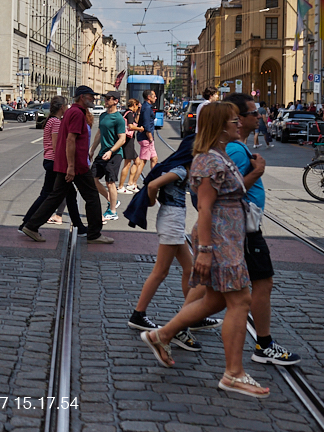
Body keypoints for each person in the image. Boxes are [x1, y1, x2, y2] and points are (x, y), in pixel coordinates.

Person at [139, 102, 269, 398]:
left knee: (214, 300)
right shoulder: (209, 160)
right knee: (240, 300)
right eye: (234, 120)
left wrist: (257, 172)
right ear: (220, 127)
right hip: (220, 239)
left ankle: (162, 335)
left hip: (228, 236)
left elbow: (231, 193)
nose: (239, 124)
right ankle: (233, 373)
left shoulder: (220, 155)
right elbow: (205, 207)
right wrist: (207, 251)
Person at [224, 93, 300, 367]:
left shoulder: (237, 147)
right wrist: (256, 173)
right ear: (238, 118)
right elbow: (224, 190)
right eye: (253, 113)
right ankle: (264, 345)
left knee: (213, 296)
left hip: (239, 228)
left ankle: (169, 331)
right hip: (243, 229)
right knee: (261, 283)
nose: (259, 116)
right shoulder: (235, 150)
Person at [127, 139, 214, 351]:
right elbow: (152, 185)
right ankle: (138, 314)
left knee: (189, 269)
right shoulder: (181, 171)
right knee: (161, 271)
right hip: (171, 221)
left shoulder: (183, 169)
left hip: (173, 220)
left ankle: (192, 314)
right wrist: (152, 200)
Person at [20, 86, 113, 244]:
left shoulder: (71, 111)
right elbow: (70, 140)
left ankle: (31, 226)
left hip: (67, 163)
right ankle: (94, 234)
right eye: (91, 96)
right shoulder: (77, 113)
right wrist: (71, 166)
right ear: (82, 97)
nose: (94, 99)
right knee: (92, 197)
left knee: (55, 196)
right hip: (76, 165)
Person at [21, 96, 84, 231]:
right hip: (55, 162)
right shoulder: (56, 122)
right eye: (66, 106)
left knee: (68, 195)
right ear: (62, 107)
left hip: (50, 160)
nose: (67, 108)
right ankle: (27, 223)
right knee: (48, 195)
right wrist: (64, 162)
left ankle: (78, 225)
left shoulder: (51, 120)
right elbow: (56, 145)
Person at [91, 91, 126, 222]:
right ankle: (112, 201)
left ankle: (113, 212)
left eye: (108, 98)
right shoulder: (103, 116)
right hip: (102, 153)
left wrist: (111, 151)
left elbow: (122, 139)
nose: (105, 100)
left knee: (110, 182)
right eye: (105, 98)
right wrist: (92, 149)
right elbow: (99, 134)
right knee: (92, 179)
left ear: (116, 101)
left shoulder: (119, 118)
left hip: (115, 154)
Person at [119, 98, 140, 194]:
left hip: (128, 141)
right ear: (134, 105)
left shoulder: (126, 113)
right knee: (127, 164)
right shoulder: (130, 114)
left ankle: (130, 183)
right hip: (128, 141)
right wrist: (140, 129)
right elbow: (131, 126)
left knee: (137, 161)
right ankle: (120, 186)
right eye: (137, 106)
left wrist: (138, 113)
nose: (137, 108)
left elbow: (135, 122)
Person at [138, 90, 159, 178]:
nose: (156, 98)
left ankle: (153, 179)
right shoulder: (147, 108)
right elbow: (146, 125)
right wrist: (150, 137)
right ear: (149, 97)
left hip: (147, 138)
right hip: (146, 138)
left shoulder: (147, 107)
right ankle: (133, 182)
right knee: (142, 161)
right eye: (154, 96)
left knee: (154, 159)